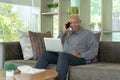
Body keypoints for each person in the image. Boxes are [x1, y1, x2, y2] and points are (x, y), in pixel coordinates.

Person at [35, 14, 99, 80]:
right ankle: (35, 78)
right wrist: (63, 32)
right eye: (71, 23)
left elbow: (94, 50)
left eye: (75, 22)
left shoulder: (88, 34)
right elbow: (58, 42)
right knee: (45, 54)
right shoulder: (67, 33)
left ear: (80, 22)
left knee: (63, 55)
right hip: (63, 57)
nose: (73, 25)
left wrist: (80, 55)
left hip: (79, 59)